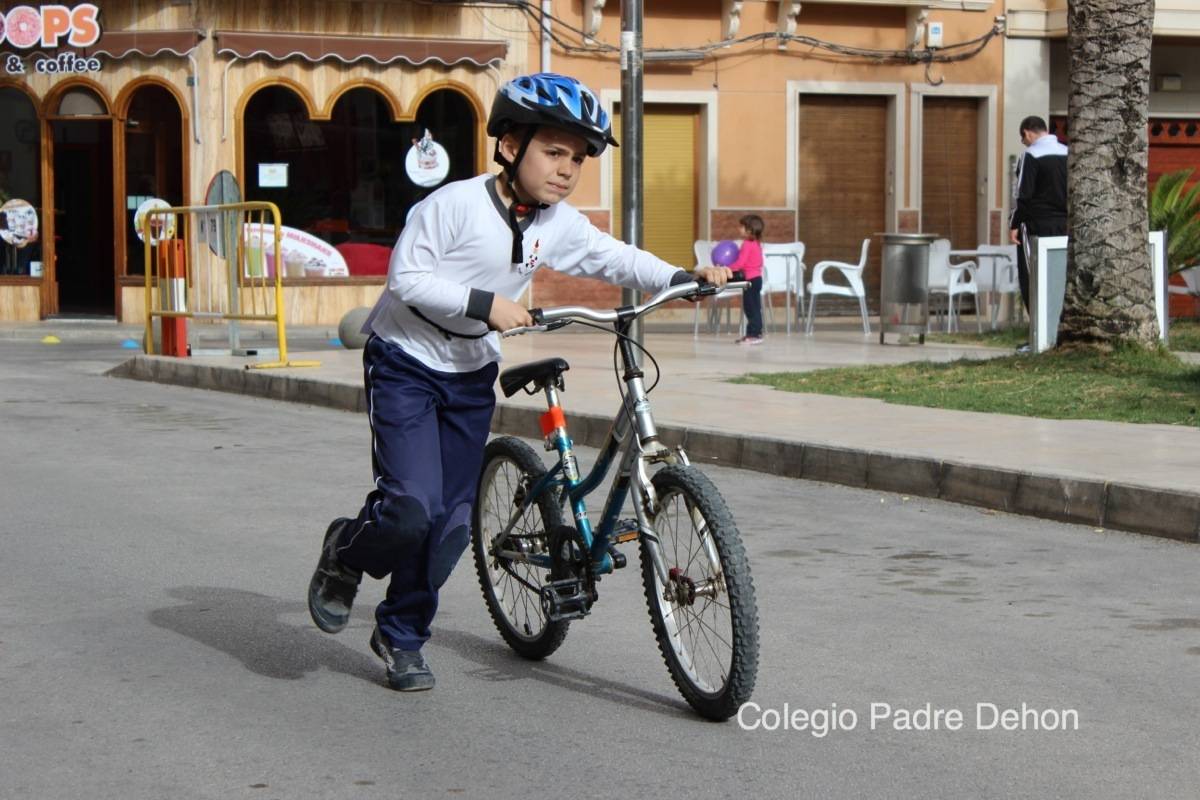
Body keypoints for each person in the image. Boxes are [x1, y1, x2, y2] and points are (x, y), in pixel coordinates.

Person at [307, 73, 733, 692]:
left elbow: (612, 257)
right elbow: (407, 280)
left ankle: (401, 635)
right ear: (510, 146)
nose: (566, 170)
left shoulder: (556, 221)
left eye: (577, 159)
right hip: (404, 360)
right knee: (408, 509)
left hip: (470, 370)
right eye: (553, 152)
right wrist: (487, 304)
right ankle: (346, 552)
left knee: (452, 524)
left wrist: (680, 275)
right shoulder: (450, 205)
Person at [1009, 115, 1068, 353]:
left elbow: (1024, 195)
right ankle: (1056, 334)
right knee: (1059, 279)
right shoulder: (1067, 151)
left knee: (1031, 279)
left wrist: (1015, 223)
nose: (1024, 143)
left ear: (1027, 133)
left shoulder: (1030, 155)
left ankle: (1037, 337)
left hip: (1035, 226)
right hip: (1063, 225)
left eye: (1023, 139)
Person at [729, 215, 765, 345]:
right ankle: (753, 334)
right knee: (753, 307)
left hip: (750, 280)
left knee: (751, 308)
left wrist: (727, 269)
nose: (739, 229)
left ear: (749, 229)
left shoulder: (747, 244)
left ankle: (754, 335)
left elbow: (740, 263)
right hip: (756, 279)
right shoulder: (756, 243)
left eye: (741, 226)